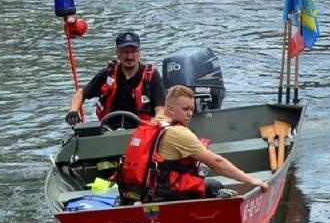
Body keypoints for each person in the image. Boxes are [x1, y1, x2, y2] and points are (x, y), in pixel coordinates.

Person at [115, 85, 271, 203]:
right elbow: (217, 163)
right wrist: (251, 180)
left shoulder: (151, 125)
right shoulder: (179, 133)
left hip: (137, 193)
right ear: (170, 108)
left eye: (192, 109)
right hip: (163, 198)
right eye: (185, 109)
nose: (190, 113)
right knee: (214, 186)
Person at [65, 31, 166, 125]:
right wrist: (73, 111)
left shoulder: (152, 76)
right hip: (110, 132)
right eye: (124, 52)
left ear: (140, 52)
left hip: (143, 133)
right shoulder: (107, 74)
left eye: (133, 51)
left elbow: (160, 111)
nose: (129, 56)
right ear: (117, 53)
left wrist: (156, 123)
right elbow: (81, 93)